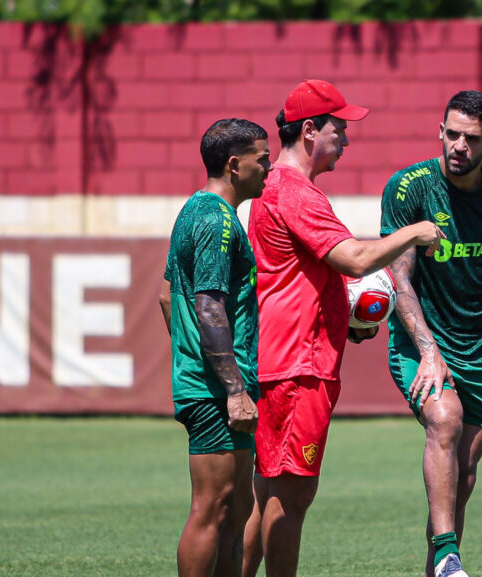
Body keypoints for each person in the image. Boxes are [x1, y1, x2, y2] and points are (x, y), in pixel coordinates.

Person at [243, 79, 446, 577]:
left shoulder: (275, 187)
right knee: (292, 494)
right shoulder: (296, 193)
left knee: (265, 490)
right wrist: (414, 232)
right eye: (340, 128)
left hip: (279, 356)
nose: (347, 139)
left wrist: (344, 316)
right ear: (310, 130)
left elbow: (309, 275)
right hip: (299, 365)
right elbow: (354, 260)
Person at [380, 90, 482, 577]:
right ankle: (448, 553)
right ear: (439, 130)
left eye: (471, 138)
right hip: (418, 340)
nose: (458, 145)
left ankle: (442, 564)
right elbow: (398, 278)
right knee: (444, 420)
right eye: (452, 133)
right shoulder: (409, 188)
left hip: (476, 346)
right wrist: (428, 349)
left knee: (461, 477)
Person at [159, 118, 272, 577]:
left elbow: (168, 296)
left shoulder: (194, 210)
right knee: (214, 507)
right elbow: (208, 308)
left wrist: (189, 356)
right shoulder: (215, 220)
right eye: (262, 158)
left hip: (209, 381)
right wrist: (231, 388)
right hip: (215, 392)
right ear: (234, 164)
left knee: (236, 507)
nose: (268, 166)